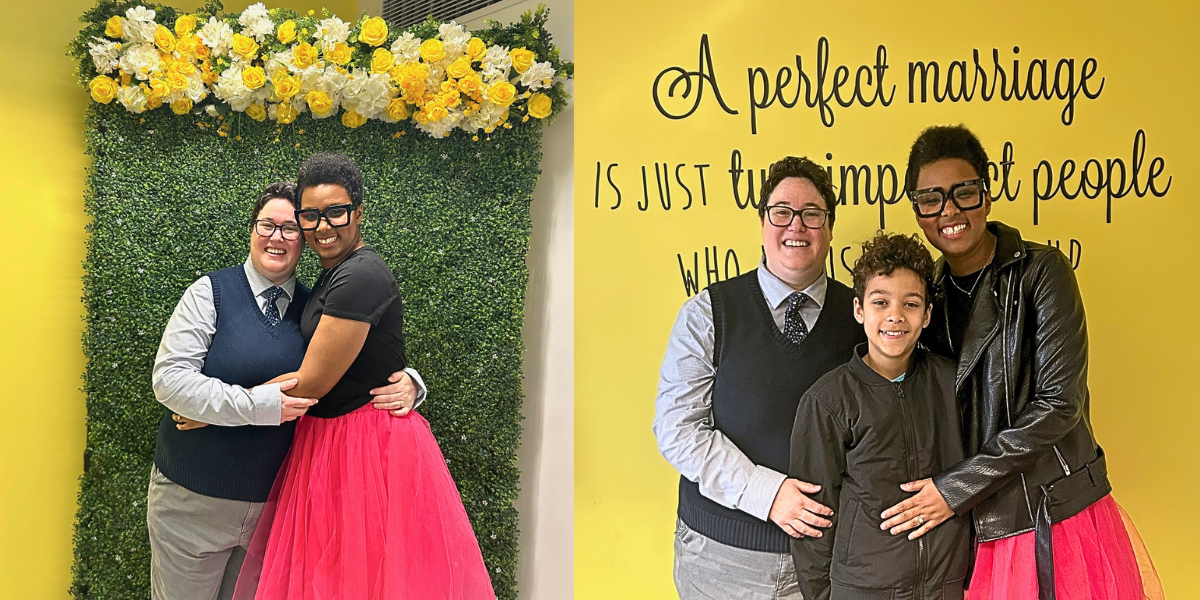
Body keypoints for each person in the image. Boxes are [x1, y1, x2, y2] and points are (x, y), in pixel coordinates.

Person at [878, 125, 1151, 600]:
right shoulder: (926, 300)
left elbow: (1059, 404)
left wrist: (954, 489)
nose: (949, 212)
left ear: (986, 195)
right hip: (969, 530)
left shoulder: (1042, 272)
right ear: (917, 209)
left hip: (1051, 516)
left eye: (963, 193)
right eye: (931, 199)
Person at [233, 153, 495, 600]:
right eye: (310, 216)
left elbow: (313, 382)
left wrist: (215, 409)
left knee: (364, 579)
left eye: (335, 212)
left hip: (366, 447)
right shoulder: (336, 273)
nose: (322, 226)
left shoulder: (361, 275)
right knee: (336, 578)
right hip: (334, 441)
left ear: (358, 212)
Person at [148, 182, 424, 600]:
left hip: (278, 509)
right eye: (267, 225)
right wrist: (260, 404)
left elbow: (354, 365)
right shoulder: (210, 293)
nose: (277, 236)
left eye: (291, 227)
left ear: (305, 238)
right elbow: (170, 380)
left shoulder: (319, 309)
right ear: (252, 231)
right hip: (193, 501)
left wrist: (412, 382)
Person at [653, 156, 863, 599]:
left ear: (829, 226)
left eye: (812, 214)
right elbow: (677, 429)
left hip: (832, 563)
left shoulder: (865, 320)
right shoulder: (708, 313)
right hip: (721, 559)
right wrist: (767, 494)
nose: (796, 226)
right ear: (763, 221)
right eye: (782, 211)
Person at [789, 231, 970, 600]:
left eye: (911, 304)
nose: (895, 317)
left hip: (947, 584)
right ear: (859, 310)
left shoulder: (954, 382)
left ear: (927, 314)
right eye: (880, 302)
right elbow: (814, 520)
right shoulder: (827, 401)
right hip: (862, 588)